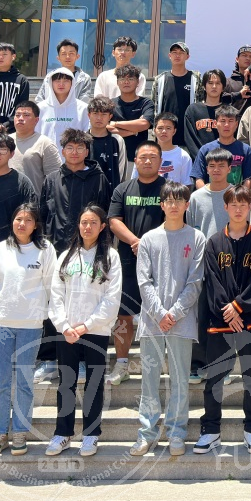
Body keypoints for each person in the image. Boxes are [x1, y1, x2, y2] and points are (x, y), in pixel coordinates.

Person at [194, 182, 251, 455]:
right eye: (233, 205)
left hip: (250, 320)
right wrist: (228, 310)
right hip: (220, 320)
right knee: (215, 377)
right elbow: (213, 282)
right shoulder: (214, 242)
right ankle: (211, 430)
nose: (238, 210)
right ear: (225, 207)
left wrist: (238, 306)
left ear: (249, 207)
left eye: (243, 205)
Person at [133, 182, 207, 457]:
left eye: (179, 201)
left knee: (180, 381)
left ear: (187, 205)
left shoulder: (196, 238)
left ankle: (177, 433)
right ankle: (146, 433)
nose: (174, 205)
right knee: (149, 381)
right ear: (161, 205)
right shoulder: (149, 239)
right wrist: (159, 313)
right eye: (169, 201)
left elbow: (195, 282)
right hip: (152, 322)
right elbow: (144, 281)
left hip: (182, 321)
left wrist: (173, 313)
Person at [46, 205, 122, 458]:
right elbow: (56, 294)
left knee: (94, 383)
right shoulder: (66, 256)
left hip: (96, 331)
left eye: (93, 223)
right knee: (66, 383)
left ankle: (91, 434)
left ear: (102, 227)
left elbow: (112, 298)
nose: (87, 227)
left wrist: (87, 325)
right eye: (83, 222)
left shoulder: (111, 257)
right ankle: (63, 433)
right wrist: (64, 325)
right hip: (67, 331)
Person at [36, 128, 111, 384]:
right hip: (57, 250)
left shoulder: (98, 179)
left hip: (89, 251)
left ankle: (80, 359)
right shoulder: (52, 179)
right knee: (54, 303)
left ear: (87, 150)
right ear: (62, 150)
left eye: (80, 147)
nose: (75, 152)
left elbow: (104, 216)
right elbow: (43, 215)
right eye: (70, 147)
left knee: (84, 303)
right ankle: (49, 359)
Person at [0, 203, 57, 458]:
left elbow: (50, 285)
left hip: (31, 325)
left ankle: (19, 432)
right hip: (2, 323)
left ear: (36, 224)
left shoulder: (45, 250)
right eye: (18, 219)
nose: (22, 224)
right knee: (2, 382)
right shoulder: (0, 249)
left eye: (28, 220)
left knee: (25, 382)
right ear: (12, 222)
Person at [107, 140, 167, 385]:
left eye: (153, 157)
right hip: (128, 260)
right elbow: (114, 221)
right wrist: (135, 241)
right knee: (124, 315)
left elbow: (176, 218)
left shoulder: (169, 189)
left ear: (160, 161)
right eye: (143, 157)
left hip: (162, 261)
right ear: (135, 160)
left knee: (159, 313)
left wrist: (150, 243)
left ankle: (157, 363)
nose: (147, 161)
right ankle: (122, 364)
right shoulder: (123, 189)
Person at [195, 104, 251, 187]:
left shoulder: (246, 150)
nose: (226, 125)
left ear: (236, 124)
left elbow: (248, 179)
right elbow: (198, 178)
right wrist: (207, 194)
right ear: (215, 124)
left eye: (230, 121)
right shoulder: (205, 149)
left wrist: (241, 195)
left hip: (236, 194)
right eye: (223, 121)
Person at [150, 41, 196, 149]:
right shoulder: (160, 79)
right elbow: (154, 106)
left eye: (181, 52)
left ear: (187, 56)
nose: (177, 55)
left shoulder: (195, 79)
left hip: (188, 138)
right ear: (169, 56)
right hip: (164, 138)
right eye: (174, 52)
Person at [9, 101, 61, 195]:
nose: (20, 118)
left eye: (26, 115)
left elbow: (55, 179)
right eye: (17, 115)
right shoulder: (5, 141)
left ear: (36, 120)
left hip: (34, 201)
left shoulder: (45, 143)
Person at [107, 64, 155, 162]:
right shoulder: (110, 104)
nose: (126, 82)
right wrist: (133, 131)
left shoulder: (146, 103)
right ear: (117, 82)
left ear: (138, 82)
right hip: (114, 157)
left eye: (130, 79)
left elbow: (144, 124)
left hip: (138, 158)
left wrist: (115, 124)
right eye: (122, 79)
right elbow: (106, 128)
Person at [0, 41, 31, 132]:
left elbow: (22, 106)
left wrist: (6, 125)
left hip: (11, 131)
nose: (0, 57)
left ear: (13, 57)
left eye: (4, 54)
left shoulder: (21, 80)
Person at [38, 68, 90, 149]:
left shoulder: (83, 108)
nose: (61, 84)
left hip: (74, 155)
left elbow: (87, 135)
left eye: (66, 81)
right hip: (45, 155)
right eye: (57, 80)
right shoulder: (40, 108)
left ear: (72, 83)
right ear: (51, 83)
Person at [86, 96, 129, 195]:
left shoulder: (117, 140)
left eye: (104, 114)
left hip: (112, 193)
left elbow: (122, 169)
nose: (99, 118)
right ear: (89, 115)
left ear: (110, 116)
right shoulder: (82, 140)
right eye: (95, 113)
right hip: (86, 193)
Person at [36, 38, 94, 103]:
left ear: (77, 56)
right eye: (64, 54)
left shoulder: (84, 78)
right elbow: (40, 99)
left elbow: (84, 101)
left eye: (71, 53)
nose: (67, 57)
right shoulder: (49, 77)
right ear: (58, 58)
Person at [184, 69, 228, 151]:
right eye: (210, 83)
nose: (214, 86)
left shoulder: (228, 111)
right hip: (199, 157)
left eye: (218, 83)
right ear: (204, 86)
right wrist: (200, 156)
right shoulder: (193, 110)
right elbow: (190, 138)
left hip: (223, 156)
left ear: (223, 87)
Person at [95, 36, 147, 102]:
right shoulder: (103, 76)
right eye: (119, 49)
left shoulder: (139, 77)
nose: (123, 52)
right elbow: (98, 101)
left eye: (127, 50)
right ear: (113, 53)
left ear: (133, 54)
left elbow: (138, 100)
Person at [154, 112, 194, 186]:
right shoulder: (145, 153)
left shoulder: (183, 156)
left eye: (168, 128)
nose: (164, 131)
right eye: (160, 128)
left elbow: (187, 184)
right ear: (154, 130)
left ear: (174, 131)